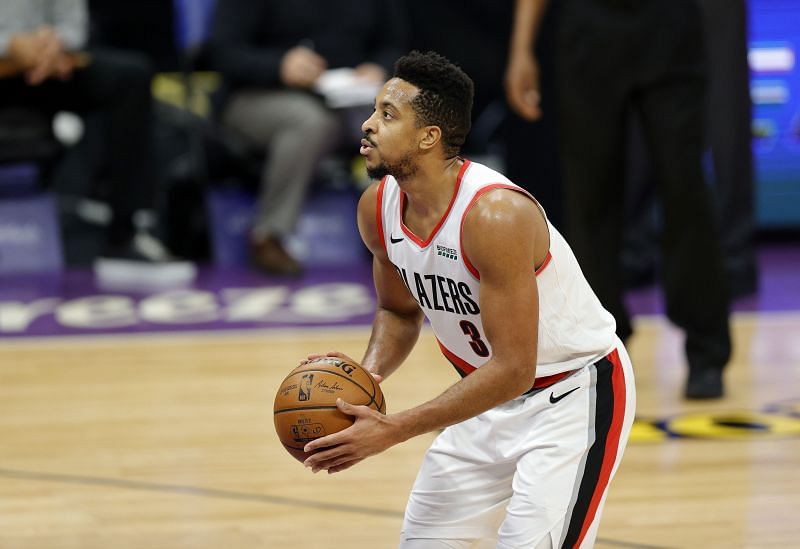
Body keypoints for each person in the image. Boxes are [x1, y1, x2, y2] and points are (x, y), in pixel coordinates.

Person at [303, 51, 636, 548]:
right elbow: (398, 310)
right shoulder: (378, 206)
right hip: (484, 402)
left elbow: (514, 367)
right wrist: (362, 381)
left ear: (428, 137)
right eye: (374, 111)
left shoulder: (495, 217)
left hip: (571, 396)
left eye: (387, 115)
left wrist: (394, 428)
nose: (368, 125)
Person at [505, 0, 732, 399]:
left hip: (669, 25)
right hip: (589, 26)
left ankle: (706, 351)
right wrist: (521, 48)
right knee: (590, 197)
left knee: (685, 190)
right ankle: (599, 349)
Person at [209, 0, 407, 276]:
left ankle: (399, 231)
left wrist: (379, 67)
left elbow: (395, 44)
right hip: (257, 94)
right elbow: (222, 53)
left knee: (399, 116)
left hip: (349, 95)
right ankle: (270, 234)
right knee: (310, 121)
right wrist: (279, 65)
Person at [0, 0, 176, 269]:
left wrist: (55, 43)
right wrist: (10, 46)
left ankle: (124, 234)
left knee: (130, 77)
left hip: (48, 67)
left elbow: (74, 25)